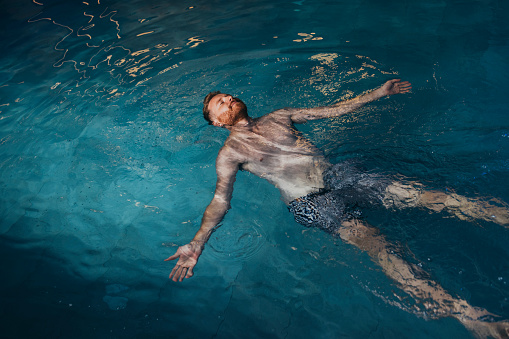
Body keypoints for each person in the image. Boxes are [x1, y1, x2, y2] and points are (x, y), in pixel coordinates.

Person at [166, 79, 509, 338]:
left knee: (429, 196)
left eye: (226, 95)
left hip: (341, 176)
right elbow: (220, 200)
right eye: (218, 104)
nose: (227, 99)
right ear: (216, 123)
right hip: (310, 203)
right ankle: (471, 318)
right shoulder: (228, 155)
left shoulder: (280, 115)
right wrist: (198, 243)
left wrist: (378, 93)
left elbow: (333, 109)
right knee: (383, 248)